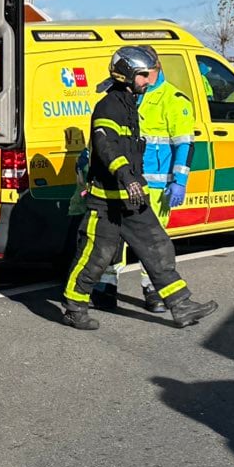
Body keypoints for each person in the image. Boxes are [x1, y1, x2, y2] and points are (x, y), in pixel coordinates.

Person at [60, 45, 219, 332]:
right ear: (128, 74)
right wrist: (125, 175)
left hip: (132, 197)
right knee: (97, 254)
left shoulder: (130, 102)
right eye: (143, 75)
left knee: (158, 246)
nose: (149, 80)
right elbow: (105, 144)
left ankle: (181, 305)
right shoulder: (110, 105)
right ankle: (74, 307)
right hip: (107, 201)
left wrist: (138, 181)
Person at [87, 56, 195, 315]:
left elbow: (185, 144)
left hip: (156, 186)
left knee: (152, 243)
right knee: (112, 241)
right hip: (122, 181)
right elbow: (107, 139)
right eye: (143, 73)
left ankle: (155, 293)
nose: (147, 78)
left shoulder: (173, 99)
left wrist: (179, 181)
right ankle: (105, 289)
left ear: (158, 69)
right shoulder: (127, 96)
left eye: (151, 72)